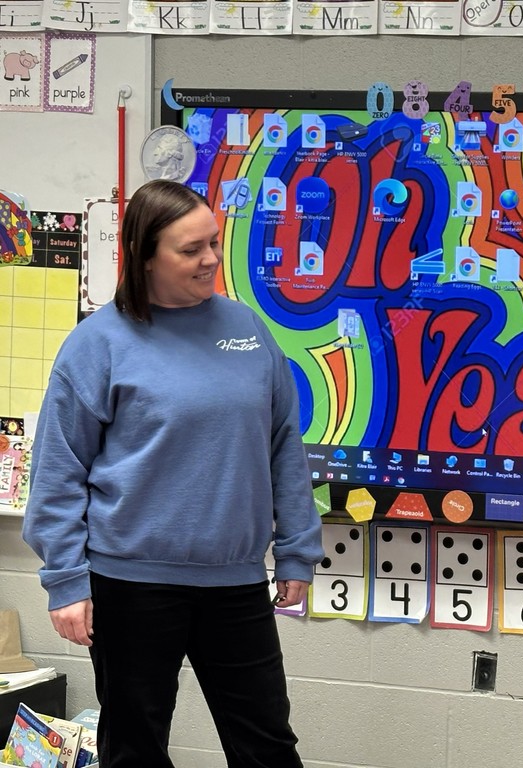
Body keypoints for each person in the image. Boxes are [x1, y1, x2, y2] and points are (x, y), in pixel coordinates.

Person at [22, 180, 324, 768]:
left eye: (214, 243)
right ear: (144, 254)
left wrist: (296, 551)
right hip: (129, 585)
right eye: (191, 250)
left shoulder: (249, 331)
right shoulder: (97, 344)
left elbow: (285, 445)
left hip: (234, 583)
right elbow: (58, 471)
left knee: (267, 748)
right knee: (134, 751)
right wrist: (65, 578)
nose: (211, 259)